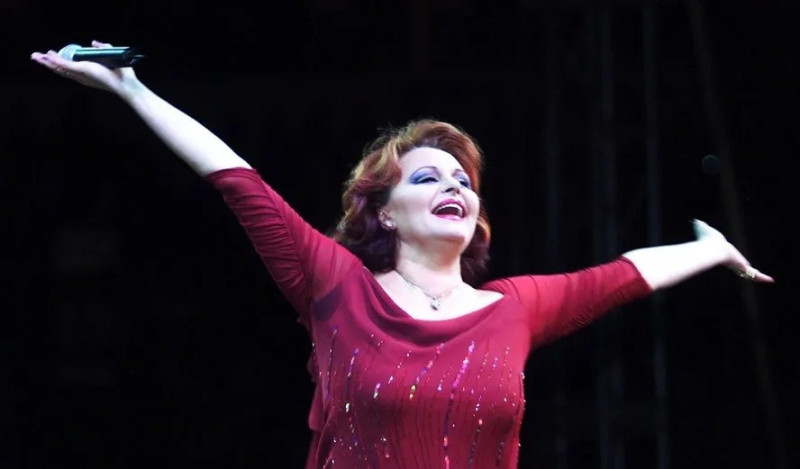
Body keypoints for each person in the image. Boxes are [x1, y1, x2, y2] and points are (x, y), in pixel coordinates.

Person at [31, 41, 773, 469]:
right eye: (427, 176)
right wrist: (131, 90)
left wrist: (709, 250)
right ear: (383, 211)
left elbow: (626, 274)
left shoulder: (514, 307)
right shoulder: (334, 283)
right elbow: (234, 177)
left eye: (463, 179)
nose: (453, 184)